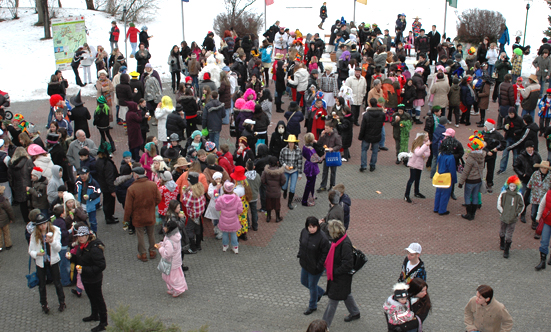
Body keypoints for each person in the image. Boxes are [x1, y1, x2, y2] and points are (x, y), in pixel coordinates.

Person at [67, 224, 108, 331]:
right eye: (79, 236)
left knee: (98, 299)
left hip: (94, 279)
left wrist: (84, 270)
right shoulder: (81, 246)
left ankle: (104, 322)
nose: (80, 238)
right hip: (85, 278)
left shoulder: (94, 249)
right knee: (91, 296)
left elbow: (101, 265)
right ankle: (94, 315)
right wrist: (72, 257)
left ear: (88, 236)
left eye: (83, 236)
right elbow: (80, 260)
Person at [321, 219, 360, 327]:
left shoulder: (344, 244)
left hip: (340, 277)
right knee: (346, 294)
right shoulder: (338, 239)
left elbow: (348, 264)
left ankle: (324, 325)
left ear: (334, 231)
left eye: (329, 229)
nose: (328, 230)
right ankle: (355, 312)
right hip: (340, 277)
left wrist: (334, 271)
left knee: (332, 301)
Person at [28, 213, 66, 314]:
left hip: (53, 261)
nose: (43, 226)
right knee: (42, 285)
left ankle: (62, 302)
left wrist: (52, 241)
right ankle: (44, 304)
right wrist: (37, 254)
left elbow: (58, 249)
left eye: (44, 223)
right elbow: (30, 251)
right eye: (40, 225)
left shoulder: (55, 231)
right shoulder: (34, 234)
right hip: (41, 262)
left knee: (57, 283)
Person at [124, 166, 161, 262]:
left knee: (140, 235)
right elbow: (158, 198)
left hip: (138, 216)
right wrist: (152, 206)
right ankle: (152, 251)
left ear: (136, 175)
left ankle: (143, 254)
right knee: (151, 234)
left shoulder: (132, 188)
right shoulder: (152, 185)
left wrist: (126, 219)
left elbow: (128, 207)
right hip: (150, 214)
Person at [298, 216, 330, 315]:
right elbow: (301, 243)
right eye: (310, 227)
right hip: (305, 263)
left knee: (312, 285)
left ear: (317, 226)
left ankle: (312, 306)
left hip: (316, 267)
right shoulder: (304, 232)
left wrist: (319, 266)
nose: (311, 229)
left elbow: (325, 254)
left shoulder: (322, 238)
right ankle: (319, 292)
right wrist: (300, 254)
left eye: (314, 227)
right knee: (304, 281)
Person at [457, 132, 487, 220]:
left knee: (467, 196)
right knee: (475, 196)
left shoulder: (471, 158)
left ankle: (468, 214)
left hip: (470, 181)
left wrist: (461, 182)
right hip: (478, 180)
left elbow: (466, 171)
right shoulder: (482, 156)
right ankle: (473, 214)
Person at [155, 218, 188, 297]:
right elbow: (166, 244)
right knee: (168, 276)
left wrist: (160, 248)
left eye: (165, 227)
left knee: (172, 278)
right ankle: (174, 288)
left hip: (171, 263)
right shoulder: (172, 236)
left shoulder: (170, 240)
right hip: (173, 262)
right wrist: (162, 244)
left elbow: (167, 254)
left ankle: (178, 289)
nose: (163, 228)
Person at [497, 175, 524, 258]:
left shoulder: (518, 195)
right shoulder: (504, 194)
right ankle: (502, 242)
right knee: (502, 231)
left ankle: (507, 249)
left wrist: (516, 214)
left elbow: (521, 206)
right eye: (511, 185)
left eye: (514, 186)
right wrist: (502, 212)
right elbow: (499, 204)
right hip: (504, 217)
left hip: (512, 218)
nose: (512, 188)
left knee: (509, 235)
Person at [215, 180, 243, 254]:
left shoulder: (221, 198)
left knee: (225, 233)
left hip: (224, 220)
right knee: (233, 233)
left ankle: (225, 246)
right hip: (233, 219)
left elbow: (217, 208)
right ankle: (235, 247)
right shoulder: (237, 198)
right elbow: (240, 210)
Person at [358, 98, 385, 172]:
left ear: (370, 104)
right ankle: (372, 165)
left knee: (364, 150)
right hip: (377, 135)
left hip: (367, 135)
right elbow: (382, 122)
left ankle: (363, 165)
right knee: (375, 151)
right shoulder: (381, 114)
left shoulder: (366, 115)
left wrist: (360, 136)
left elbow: (363, 127)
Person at [404, 132, 431, 203]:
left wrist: (424, 154)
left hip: (419, 164)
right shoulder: (418, 143)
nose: (427, 137)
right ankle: (406, 195)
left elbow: (428, 153)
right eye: (426, 136)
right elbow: (418, 153)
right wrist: (425, 146)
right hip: (413, 164)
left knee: (418, 179)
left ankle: (417, 192)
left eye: (427, 136)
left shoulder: (426, 143)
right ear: (422, 138)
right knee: (412, 179)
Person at [434, 138, 457, 215]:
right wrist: (454, 179)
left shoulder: (441, 154)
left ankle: (436, 207)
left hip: (439, 175)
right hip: (447, 177)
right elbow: (452, 170)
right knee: (445, 195)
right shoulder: (450, 157)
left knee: (438, 193)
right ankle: (442, 210)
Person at [75, 167, 101, 234]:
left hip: (91, 204)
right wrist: (77, 194)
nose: (82, 176)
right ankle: (87, 231)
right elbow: (76, 188)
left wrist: (90, 197)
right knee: (82, 218)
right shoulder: (78, 180)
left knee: (92, 220)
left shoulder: (93, 182)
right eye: (81, 174)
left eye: (84, 174)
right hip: (82, 204)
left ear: (88, 173)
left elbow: (98, 192)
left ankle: (94, 233)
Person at [279, 135, 303, 210]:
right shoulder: (283, 150)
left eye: (292, 142)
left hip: (294, 171)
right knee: (284, 186)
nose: (291, 144)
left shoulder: (298, 151)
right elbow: (280, 159)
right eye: (289, 142)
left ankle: (289, 202)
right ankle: (285, 191)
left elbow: (300, 162)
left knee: (292, 188)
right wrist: (285, 165)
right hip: (286, 170)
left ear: (294, 143)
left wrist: (300, 174)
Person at [0, 185, 14, 251]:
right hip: (5, 220)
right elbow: (9, 210)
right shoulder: (3, 200)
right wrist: (12, 218)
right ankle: (8, 244)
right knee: (6, 232)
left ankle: (0, 247)